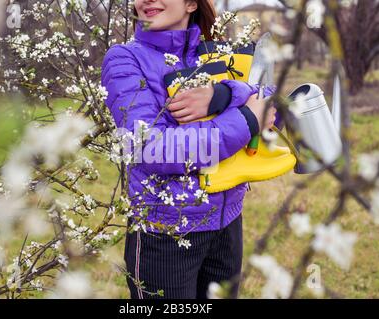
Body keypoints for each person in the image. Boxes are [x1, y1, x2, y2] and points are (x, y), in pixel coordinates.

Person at [101, 0, 277, 299]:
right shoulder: (124, 59)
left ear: (191, 3)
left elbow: (271, 105)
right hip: (165, 233)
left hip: (226, 224)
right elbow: (151, 149)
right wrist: (247, 118)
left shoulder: (215, 54)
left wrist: (222, 95)